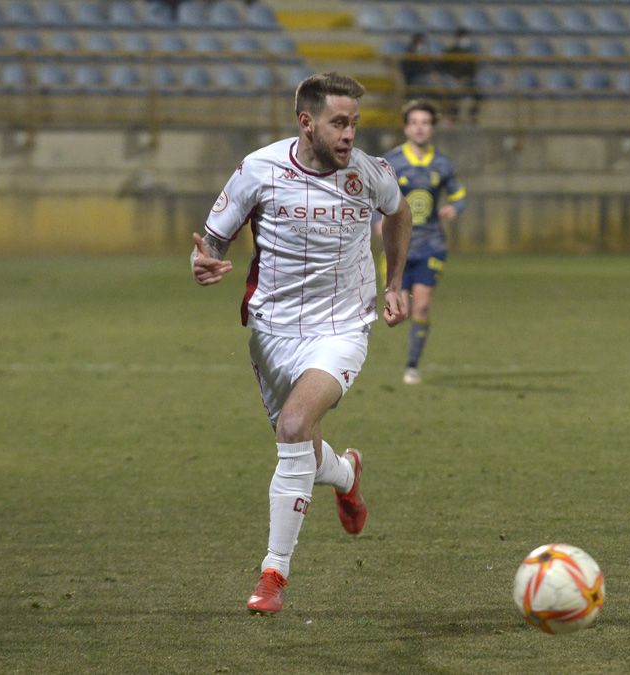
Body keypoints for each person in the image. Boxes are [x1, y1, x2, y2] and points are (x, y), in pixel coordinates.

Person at [190, 72, 413, 616]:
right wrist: (200, 264)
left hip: (341, 328)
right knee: (300, 447)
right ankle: (346, 473)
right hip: (271, 332)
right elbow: (211, 240)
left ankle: (273, 574)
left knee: (294, 428)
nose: (349, 135)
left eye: (355, 124)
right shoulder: (258, 170)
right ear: (306, 122)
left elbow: (399, 213)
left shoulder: (369, 174)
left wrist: (394, 283)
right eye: (339, 123)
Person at [382, 99, 467, 385]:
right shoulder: (391, 162)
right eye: (414, 122)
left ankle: (412, 366)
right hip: (399, 246)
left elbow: (459, 195)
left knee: (421, 307)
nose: (420, 128)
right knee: (401, 311)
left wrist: (454, 208)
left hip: (432, 243)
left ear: (432, 128)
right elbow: (374, 197)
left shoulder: (443, 164)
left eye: (425, 123)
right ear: (406, 128)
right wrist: (374, 222)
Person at [442, 28, 481, 123]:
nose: (464, 39)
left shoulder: (471, 53)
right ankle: (453, 118)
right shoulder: (451, 52)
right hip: (454, 80)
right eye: (462, 37)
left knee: (479, 94)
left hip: (468, 80)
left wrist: (467, 78)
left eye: (465, 37)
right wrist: (456, 79)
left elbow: (473, 69)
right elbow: (445, 68)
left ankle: (473, 116)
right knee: (454, 94)